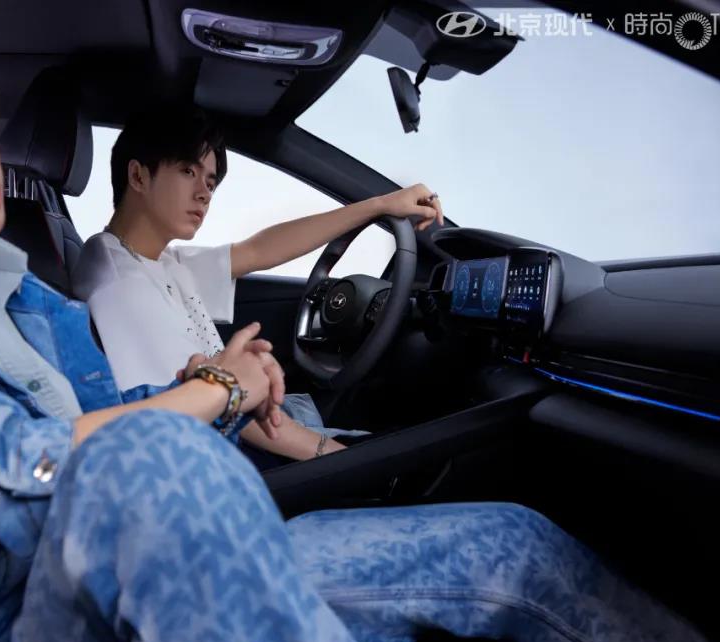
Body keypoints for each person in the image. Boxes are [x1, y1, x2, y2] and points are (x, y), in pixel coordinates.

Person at [0, 2, 720, 642]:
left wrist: (223, 391)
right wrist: (213, 392)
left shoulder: (17, 286)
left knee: (510, 547)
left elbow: (119, 413)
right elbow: (17, 473)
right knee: (157, 458)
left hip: (119, 564)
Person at [69, 105, 443, 462]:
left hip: (247, 429)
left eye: (210, 182)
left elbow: (256, 251)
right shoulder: (119, 282)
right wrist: (337, 457)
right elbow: (213, 404)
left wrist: (379, 205)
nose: (204, 193)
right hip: (230, 453)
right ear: (138, 176)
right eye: (187, 171)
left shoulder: (158, 260)